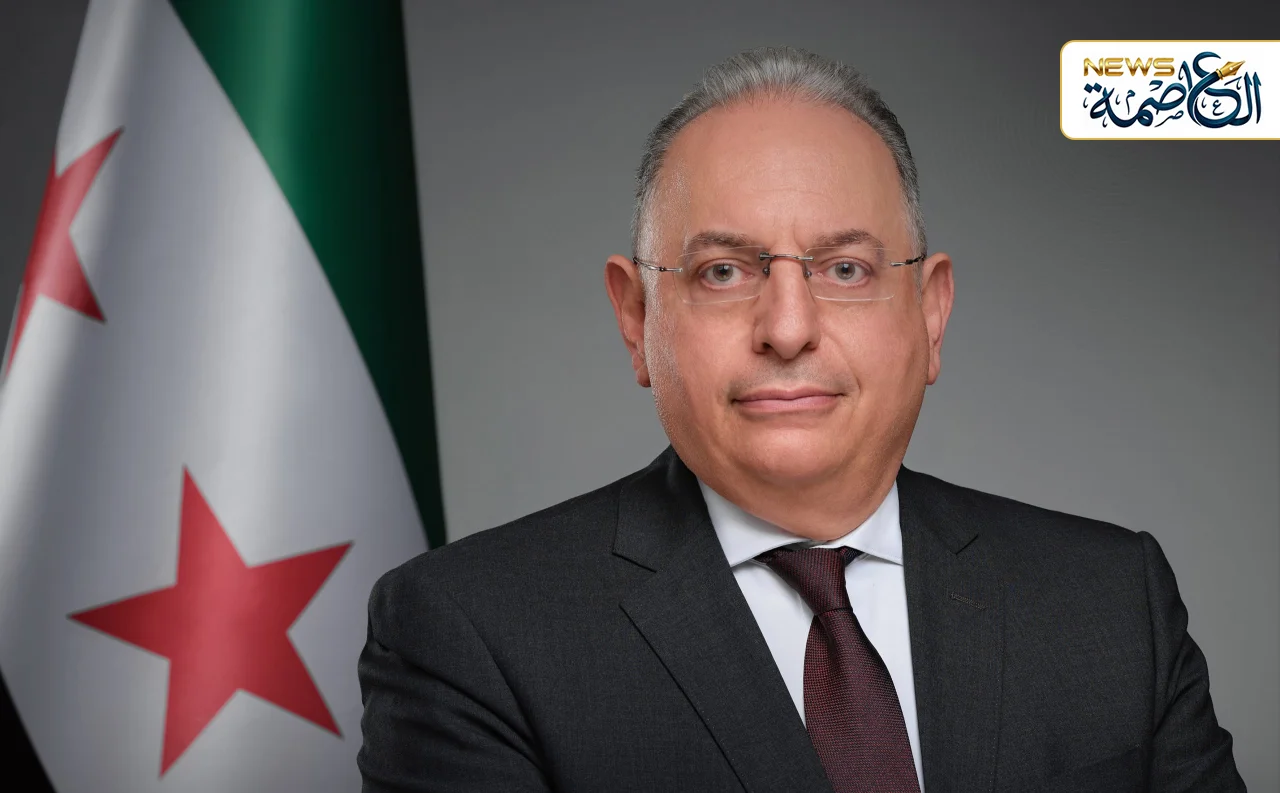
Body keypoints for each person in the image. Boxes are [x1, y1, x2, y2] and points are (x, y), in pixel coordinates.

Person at [356, 46, 1245, 792]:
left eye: (846, 269)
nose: (787, 328)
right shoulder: (471, 633)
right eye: (723, 272)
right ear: (636, 319)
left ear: (931, 312)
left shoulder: (1111, 602)